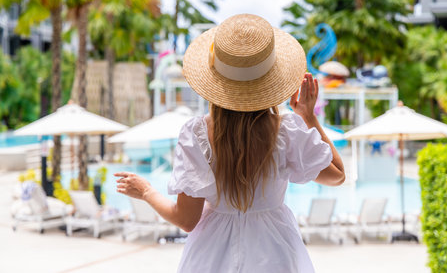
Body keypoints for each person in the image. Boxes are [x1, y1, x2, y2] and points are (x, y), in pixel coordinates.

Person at [115, 14, 345, 273]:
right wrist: (309, 117)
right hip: (276, 254)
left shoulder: (197, 134)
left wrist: (146, 191)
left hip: (211, 256)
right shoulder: (286, 131)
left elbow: (186, 220)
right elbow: (337, 175)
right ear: (270, 80)